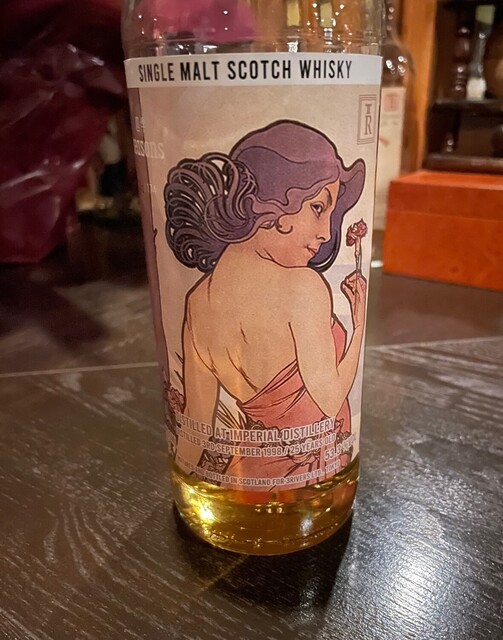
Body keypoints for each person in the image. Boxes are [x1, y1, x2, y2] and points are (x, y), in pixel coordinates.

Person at [165, 120, 367, 489]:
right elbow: (330, 398)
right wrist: (358, 325)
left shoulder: (197, 303)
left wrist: (188, 485)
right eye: (318, 208)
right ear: (274, 204)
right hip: (310, 484)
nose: (325, 233)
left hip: (240, 484)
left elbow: (197, 427)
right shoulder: (301, 287)